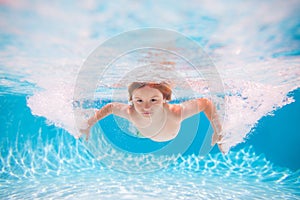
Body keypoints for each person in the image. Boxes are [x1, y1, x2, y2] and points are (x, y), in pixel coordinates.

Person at [80, 82, 224, 153]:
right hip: (143, 131)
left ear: (164, 99)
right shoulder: (132, 112)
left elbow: (206, 103)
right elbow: (110, 107)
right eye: (139, 101)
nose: (146, 107)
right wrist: (88, 124)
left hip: (163, 132)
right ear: (131, 100)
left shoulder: (175, 112)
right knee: (137, 127)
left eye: (153, 100)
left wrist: (218, 130)